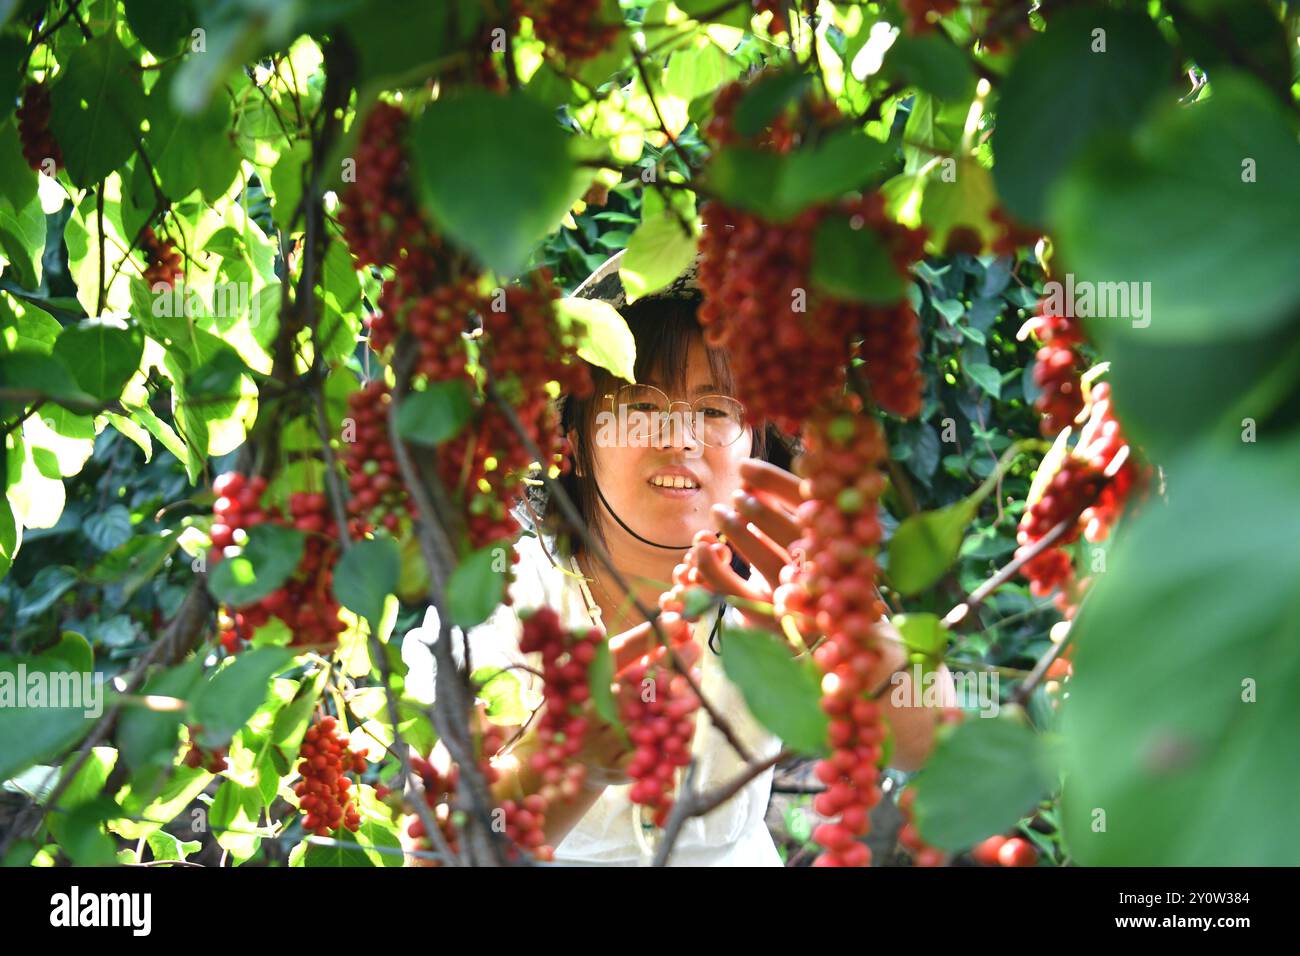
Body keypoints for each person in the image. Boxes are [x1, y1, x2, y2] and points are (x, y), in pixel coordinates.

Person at [401, 250, 953, 866]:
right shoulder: (505, 600)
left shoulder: (777, 590)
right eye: (640, 406)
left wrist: (857, 636)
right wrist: (572, 762)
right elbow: (439, 850)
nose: (679, 438)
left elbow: (928, 742)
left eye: (715, 410)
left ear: (756, 447)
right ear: (575, 447)